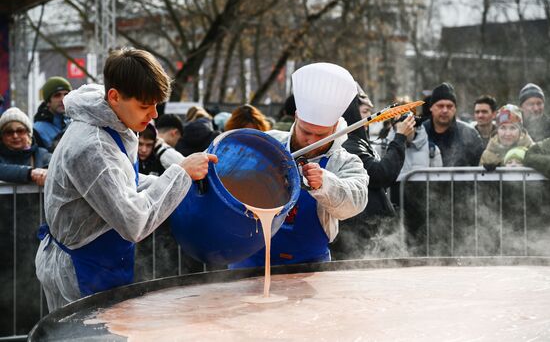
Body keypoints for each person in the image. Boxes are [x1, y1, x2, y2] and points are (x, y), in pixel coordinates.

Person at [35, 48, 217, 311]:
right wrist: (181, 174)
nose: (154, 114)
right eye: (145, 106)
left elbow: (124, 182)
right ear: (114, 96)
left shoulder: (115, 119)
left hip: (102, 258)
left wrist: (177, 183)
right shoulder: (92, 146)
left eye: (157, 105)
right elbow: (134, 221)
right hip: (80, 269)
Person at [231, 62, 369, 267]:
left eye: (321, 135)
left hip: (311, 264)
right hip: (250, 257)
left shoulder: (345, 161)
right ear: (296, 117)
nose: (312, 141)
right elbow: (230, 173)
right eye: (306, 131)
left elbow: (356, 201)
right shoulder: (267, 143)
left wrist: (326, 184)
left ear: (334, 127)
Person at [330, 91, 413, 260]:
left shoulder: (357, 141)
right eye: (366, 112)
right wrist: (399, 137)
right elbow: (381, 174)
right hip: (360, 230)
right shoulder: (349, 144)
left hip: (369, 227)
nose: (371, 117)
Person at [423, 82, 484, 166]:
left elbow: (482, 168)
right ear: (431, 108)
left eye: (449, 106)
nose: (445, 110)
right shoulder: (420, 132)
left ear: (455, 109)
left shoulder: (469, 135)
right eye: (440, 106)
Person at [0, 107, 50, 185]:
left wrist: (48, 172)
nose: (15, 136)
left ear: (28, 134)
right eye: (9, 132)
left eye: (20, 131)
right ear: (2, 137)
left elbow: (59, 170)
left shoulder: (41, 154)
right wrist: (30, 173)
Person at [33, 76, 72, 151]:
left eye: (66, 94)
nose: (63, 99)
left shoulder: (75, 122)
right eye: (57, 95)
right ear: (48, 102)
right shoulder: (37, 130)